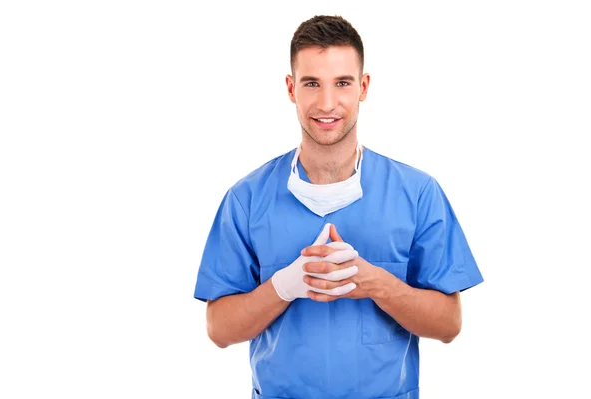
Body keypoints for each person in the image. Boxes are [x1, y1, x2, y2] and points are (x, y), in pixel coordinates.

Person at [193, 14, 484, 399]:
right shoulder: (246, 200)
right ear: (290, 88)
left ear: (363, 87)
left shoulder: (417, 194)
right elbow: (218, 329)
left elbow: (449, 324)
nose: (327, 103)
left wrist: (378, 284)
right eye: (311, 83)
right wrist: (283, 287)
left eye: (342, 83)